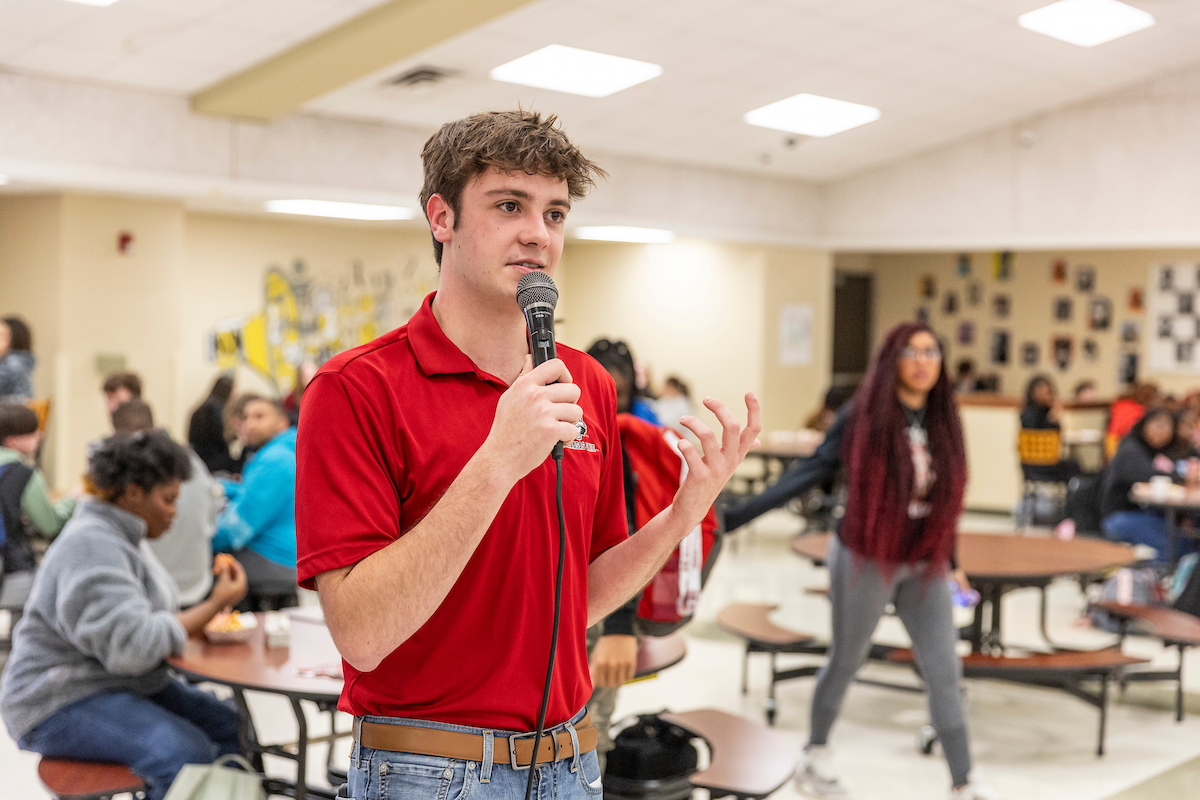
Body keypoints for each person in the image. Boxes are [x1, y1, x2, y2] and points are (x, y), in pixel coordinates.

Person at [295, 109, 759, 800]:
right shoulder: (356, 388)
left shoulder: (585, 383)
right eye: (509, 206)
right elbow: (362, 634)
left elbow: (582, 598)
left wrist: (683, 513)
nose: (537, 234)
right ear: (442, 217)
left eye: (555, 213)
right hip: (429, 770)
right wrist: (497, 460)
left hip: (569, 760)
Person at [723, 323, 1001, 800]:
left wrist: (951, 558)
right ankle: (816, 754)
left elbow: (944, 499)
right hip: (865, 555)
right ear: (891, 359)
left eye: (932, 351)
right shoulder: (863, 415)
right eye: (911, 352)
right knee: (847, 659)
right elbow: (812, 470)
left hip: (923, 561)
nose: (922, 361)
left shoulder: (942, 418)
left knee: (943, 671)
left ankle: (964, 782)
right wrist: (736, 516)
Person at [0, 431, 248, 800]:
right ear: (132, 493)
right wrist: (212, 605)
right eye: (167, 500)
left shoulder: (122, 538)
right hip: (56, 699)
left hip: (116, 683)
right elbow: (132, 648)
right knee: (183, 753)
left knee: (228, 725)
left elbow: (144, 623)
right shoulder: (91, 544)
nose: (173, 511)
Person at [113, 400, 220, 607]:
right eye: (169, 500)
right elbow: (211, 524)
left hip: (156, 598)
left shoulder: (127, 475)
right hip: (198, 586)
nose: (174, 512)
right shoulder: (193, 462)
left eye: (172, 500)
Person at [214, 396, 297, 601]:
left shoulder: (274, 460)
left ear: (282, 422)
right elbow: (251, 493)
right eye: (246, 417)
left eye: (259, 417)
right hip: (289, 556)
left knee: (201, 563)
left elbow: (236, 530)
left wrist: (201, 538)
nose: (250, 423)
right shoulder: (286, 451)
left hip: (273, 558)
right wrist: (222, 488)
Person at [0, 403, 75, 608]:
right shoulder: (23, 474)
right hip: (12, 573)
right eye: (32, 432)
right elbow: (49, 524)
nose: (40, 435)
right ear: (13, 441)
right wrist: (73, 499)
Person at [1101, 408, 1196, 562]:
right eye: (1158, 426)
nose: (1162, 432)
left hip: (1141, 512)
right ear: (1145, 424)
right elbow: (1148, 475)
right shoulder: (1131, 448)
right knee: (1177, 544)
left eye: (1167, 428)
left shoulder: (1153, 450)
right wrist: (1182, 477)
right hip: (1119, 516)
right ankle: (1157, 578)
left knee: (1184, 538)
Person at [587, 338, 662, 425]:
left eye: (618, 394)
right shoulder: (577, 419)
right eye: (602, 394)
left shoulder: (644, 415)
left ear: (630, 391)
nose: (610, 404)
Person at [188, 375, 237, 475]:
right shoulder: (216, 411)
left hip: (200, 461)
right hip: (216, 464)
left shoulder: (200, 408)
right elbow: (221, 438)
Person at [0, 316, 35, 403]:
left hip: (11, 413)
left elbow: (24, 399)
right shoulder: (21, 361)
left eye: (1, 336)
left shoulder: (14, 362)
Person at [283, 359, 318, 426]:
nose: (311, 379)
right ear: (300, 378)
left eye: (314, 375)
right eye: (307, 376)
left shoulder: (324, 394)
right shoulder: (291, 399)